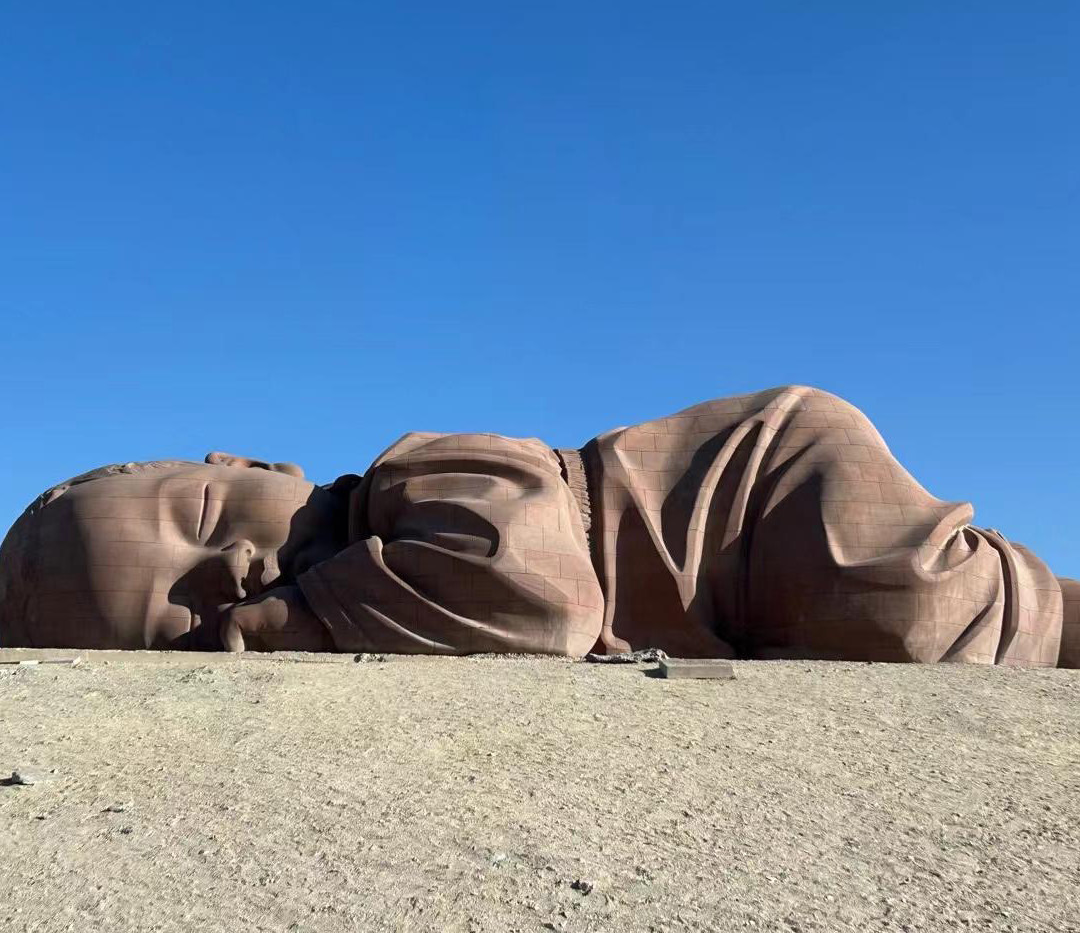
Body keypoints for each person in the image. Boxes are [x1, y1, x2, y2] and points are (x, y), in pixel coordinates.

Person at [2, 386, 1076, 666]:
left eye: (203, 517)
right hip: (730, 598)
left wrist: (291, 623)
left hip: (756, 499)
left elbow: (541, 598)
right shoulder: (380, 576)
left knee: (918, 616)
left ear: (246, 465)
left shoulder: (414, 478)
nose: (236, 562)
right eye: (186, 612)